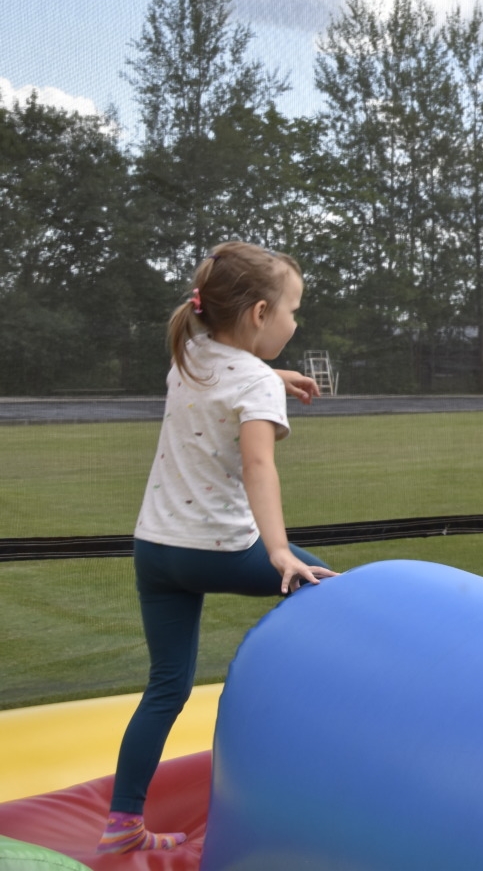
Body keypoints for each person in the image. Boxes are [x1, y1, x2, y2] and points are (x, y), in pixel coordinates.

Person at [98, 242, 338, 854]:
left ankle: (122, 826)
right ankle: (329, 722)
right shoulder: (253, 381)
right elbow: (259, 465)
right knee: (333, 589)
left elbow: (226, 379)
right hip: (220, 549)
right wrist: (280, 552)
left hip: (156, 552)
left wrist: (272, 377)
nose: (295, 322)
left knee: (167, 688)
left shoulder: (190, 353)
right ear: (260, 314)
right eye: (292, 311)